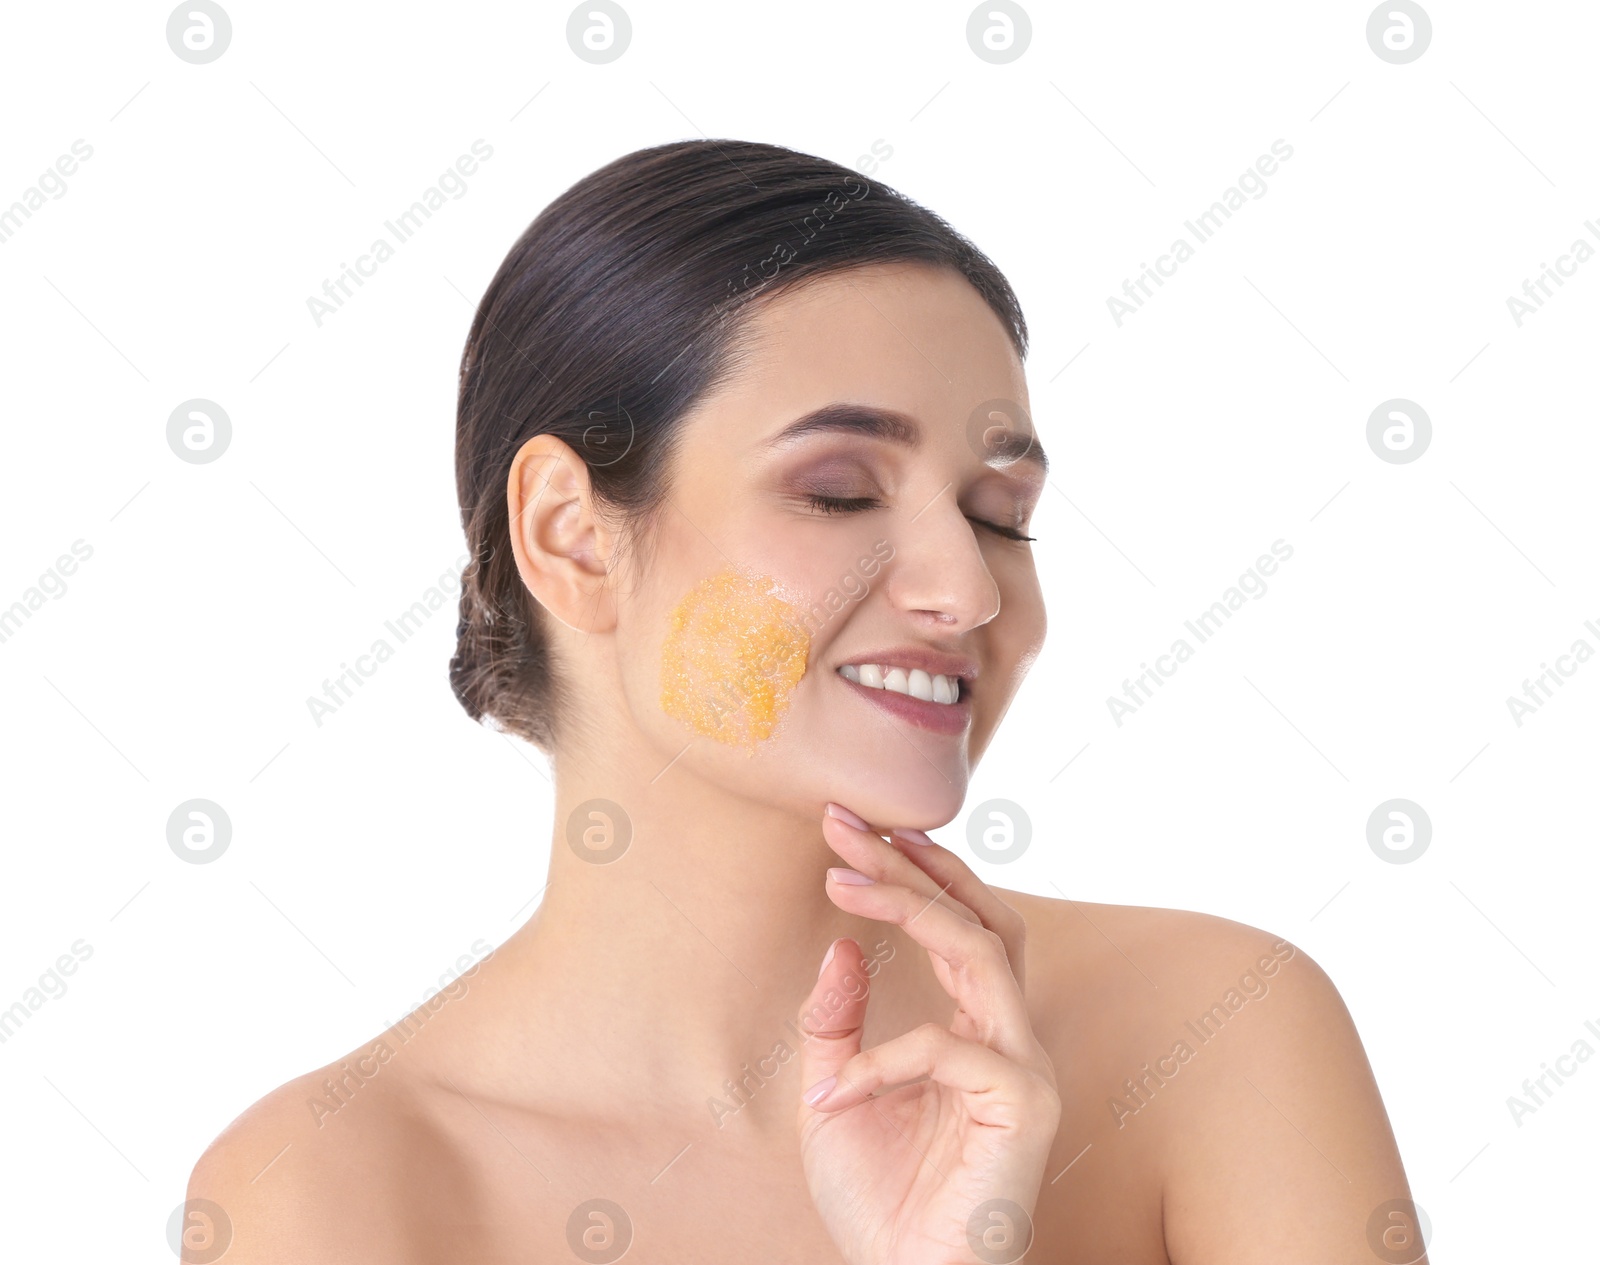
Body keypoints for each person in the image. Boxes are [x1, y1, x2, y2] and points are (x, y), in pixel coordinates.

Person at [185, 139, 1426, 1264]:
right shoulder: (328, 1187)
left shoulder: (1215, 1032)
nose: (964, 589)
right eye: (838, 491)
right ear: (571, 537)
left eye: (998, 515)